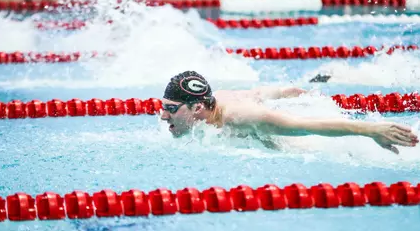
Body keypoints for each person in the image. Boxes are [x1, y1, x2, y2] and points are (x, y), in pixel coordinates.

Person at [160, 71, 419, 154]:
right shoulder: (217, 100)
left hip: (303, 142)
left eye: (170, 110)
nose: (163, 117)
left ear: (197, 107)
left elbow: (307, 126)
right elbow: (255, 93)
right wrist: (284, 91)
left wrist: (372, 130)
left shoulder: (242, 117)